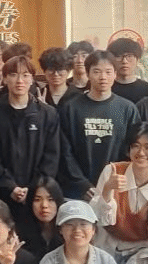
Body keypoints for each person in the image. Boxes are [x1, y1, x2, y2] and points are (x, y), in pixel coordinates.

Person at [0, 56, 62, 254]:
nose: (19, 80)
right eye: (13, 75)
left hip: (38, 198)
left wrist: (32, 189)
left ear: (32, 79)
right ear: (5, 78)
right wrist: (11, 187)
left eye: (25, 75)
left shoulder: (48, 114)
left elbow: (51, 157)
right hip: (4, 196)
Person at [91, 121, 148, 262]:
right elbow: (98, 218)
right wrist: (107, 190)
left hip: (146, 254)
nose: (141, 152)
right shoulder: (112, 171)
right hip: (109, 249)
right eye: (135, 146)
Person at [59, 51, 141, 200]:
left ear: (115, 74)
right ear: (88, 74)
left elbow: (133, 149)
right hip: (78, 192)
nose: (103, 77)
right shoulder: (71, 108)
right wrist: (82, 184)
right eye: (97, 72)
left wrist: (115, 181)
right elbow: (65, 152)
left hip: (117, 188)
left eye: (108, 72)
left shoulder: (127, 109)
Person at [106, 37, 148, 104]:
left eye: (129, 56)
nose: (124, 61)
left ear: (138, 59)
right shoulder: (104, 89)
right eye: (118, 56)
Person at [26, 177, 65, 255]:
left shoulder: (67, 230)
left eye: (50, 199)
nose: (44, 205)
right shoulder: (21, 231)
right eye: (37, 200)